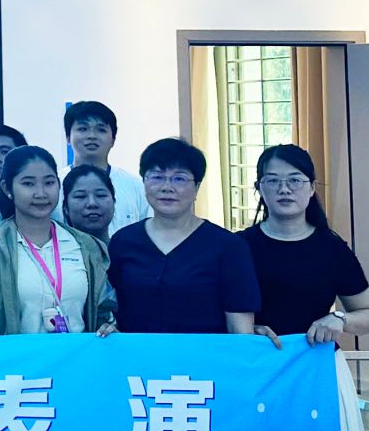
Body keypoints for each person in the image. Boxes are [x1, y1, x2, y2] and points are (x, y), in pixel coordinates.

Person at [107, 138, 260, 335]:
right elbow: (113, 308)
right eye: (157, 177)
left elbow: (240, 328)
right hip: (137, 354)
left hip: (204, 354)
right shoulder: (123, 241)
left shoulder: (229, 247)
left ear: (197, 187)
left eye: (179, 179)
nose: (167, 187)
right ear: (144, 182)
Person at [0, 146, 114, 336]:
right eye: (28, 184)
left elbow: (103, 312)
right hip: (15, 355)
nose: (41, 193)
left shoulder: (86, 246)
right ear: (7, 188)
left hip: (77, 354)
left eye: (49, 183)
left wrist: (107, 327)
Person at [242, 144, 369, 345]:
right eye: (272, 180)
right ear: (259, 188)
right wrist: (245, 331)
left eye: (295, 180)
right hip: (257, 357)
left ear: (312, 188)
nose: (284, 189)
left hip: (315, 357)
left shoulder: (332, 249)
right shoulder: (238, 247)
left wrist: (339, 318)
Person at [63, 101, 152, 232]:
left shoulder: (136, 186)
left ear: (113, 139)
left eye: (101, 130)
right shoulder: (54, 184)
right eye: (83, 129)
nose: (91, 136)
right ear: (68, 137)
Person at [61, 164, 118, 241]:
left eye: (100, 195)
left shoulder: (127, 247)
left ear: (114, 201)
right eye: (80, 196)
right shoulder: (55, 248)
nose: (92, 203)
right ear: (65, 207)